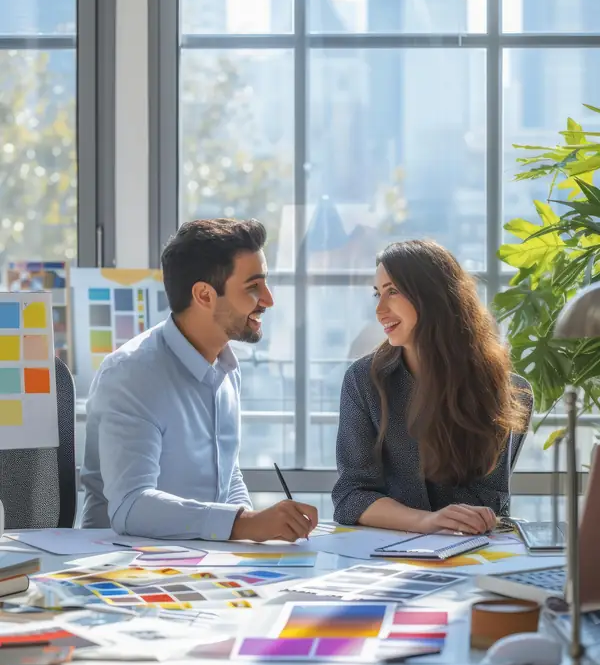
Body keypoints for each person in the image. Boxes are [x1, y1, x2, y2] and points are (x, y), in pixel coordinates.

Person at [80, 218, 318, 542]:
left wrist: (258, 534)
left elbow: (227, 478)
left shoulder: (227, 369)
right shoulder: (131, 375)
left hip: (201, 566)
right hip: (124, 569)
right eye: (253, 287)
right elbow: (131, 505)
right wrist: (245, 524)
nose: (268, 299)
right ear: (204, 295)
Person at [332, 240, 532, 534]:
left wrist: (451, 523)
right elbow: (351, 496)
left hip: (474, 553)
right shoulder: (362, 380)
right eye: (377, 293)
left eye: (393, 292)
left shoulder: (509, 391)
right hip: (384, 556)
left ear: (431, 295)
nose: (380, 310)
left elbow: (491, 502)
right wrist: (426, 521)